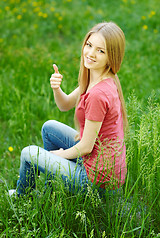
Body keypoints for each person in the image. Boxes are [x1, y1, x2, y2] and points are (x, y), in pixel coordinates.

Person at [9, 21, 128, 197]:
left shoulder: (98, 94)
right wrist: (57, 89)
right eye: (89, 45)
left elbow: (86, 147)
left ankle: (22, 197)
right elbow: (64, 105)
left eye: (100, 50)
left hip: (94, 182)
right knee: (49, 128)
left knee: (29, 153)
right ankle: (51, 188)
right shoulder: (98, 78)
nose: (91, 53)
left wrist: (59, 155)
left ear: (112, 56)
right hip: (97, 164)